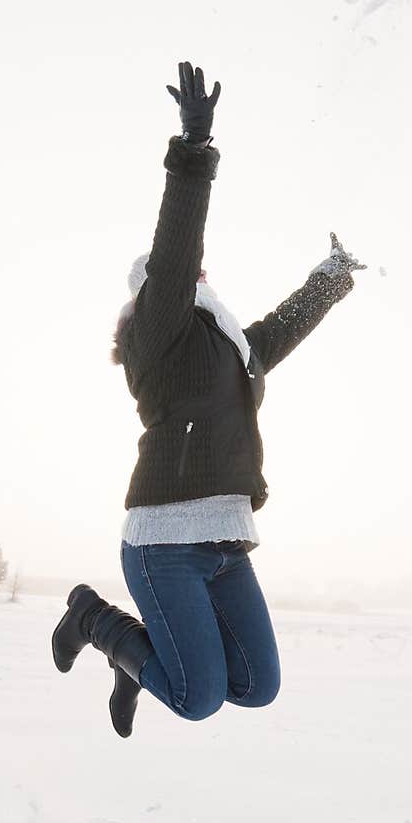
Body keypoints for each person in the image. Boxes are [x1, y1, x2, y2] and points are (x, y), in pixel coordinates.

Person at [51, 61, 365, 738]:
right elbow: (176, 243)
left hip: (223, 540)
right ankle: (93, 619)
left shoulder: (225, 347)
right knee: (196, 698)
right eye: (186, 270)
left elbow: (279, 331)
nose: (200, 269)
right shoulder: (158, 330)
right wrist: (193, 150)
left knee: (256, 685)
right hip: (164, 542)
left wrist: (331, 278)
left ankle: (139, 662)